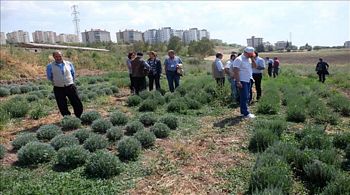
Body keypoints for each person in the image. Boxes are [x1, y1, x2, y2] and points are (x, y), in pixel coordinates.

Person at [46, 50, 83, 118]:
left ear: (62, 56)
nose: (58, 58)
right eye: (56, 56)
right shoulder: (50, 66)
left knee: (77, 102)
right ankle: (67, 118)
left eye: (60, 56)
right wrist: (57, 81)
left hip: (70, 86)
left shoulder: (69, 63)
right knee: (62, 104)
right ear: (53, 57)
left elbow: (73, 73)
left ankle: (79, 116)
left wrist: (70, 81)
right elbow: (49, 77)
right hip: (58, 88)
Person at [232, 47, 257, 118]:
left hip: (248, 79)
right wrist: (238, 82)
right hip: (242, 80)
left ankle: (243, 112)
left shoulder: (249, 59)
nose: (252, 55)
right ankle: (245, 113)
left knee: (247, 96)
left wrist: (252, 59)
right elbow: (235, 71)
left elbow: (255, 66)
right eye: (251, 54)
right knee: (244, 96)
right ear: (246, 53)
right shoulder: (239, 59)